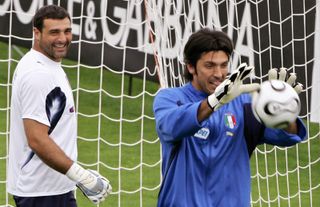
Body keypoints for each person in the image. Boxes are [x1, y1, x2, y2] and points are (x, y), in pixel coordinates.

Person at [153, 28, 307, 206]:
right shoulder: (170, 98)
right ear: (191, 66)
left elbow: (289, 136)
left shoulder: (245, 104)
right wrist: (215, 101)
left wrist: (285, 109)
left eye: (224, 65)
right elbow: (171, 126)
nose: (218, 74)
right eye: (209, 66)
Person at [7, 5, 111, 207]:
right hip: (41, 193)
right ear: (37, 33)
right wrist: (81, 176)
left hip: (52, 188)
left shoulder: (47, 65)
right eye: (54, 32)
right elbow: (37, 139)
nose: (63, 38)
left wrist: (74, 176)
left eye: (67, 31)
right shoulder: (37, 74)